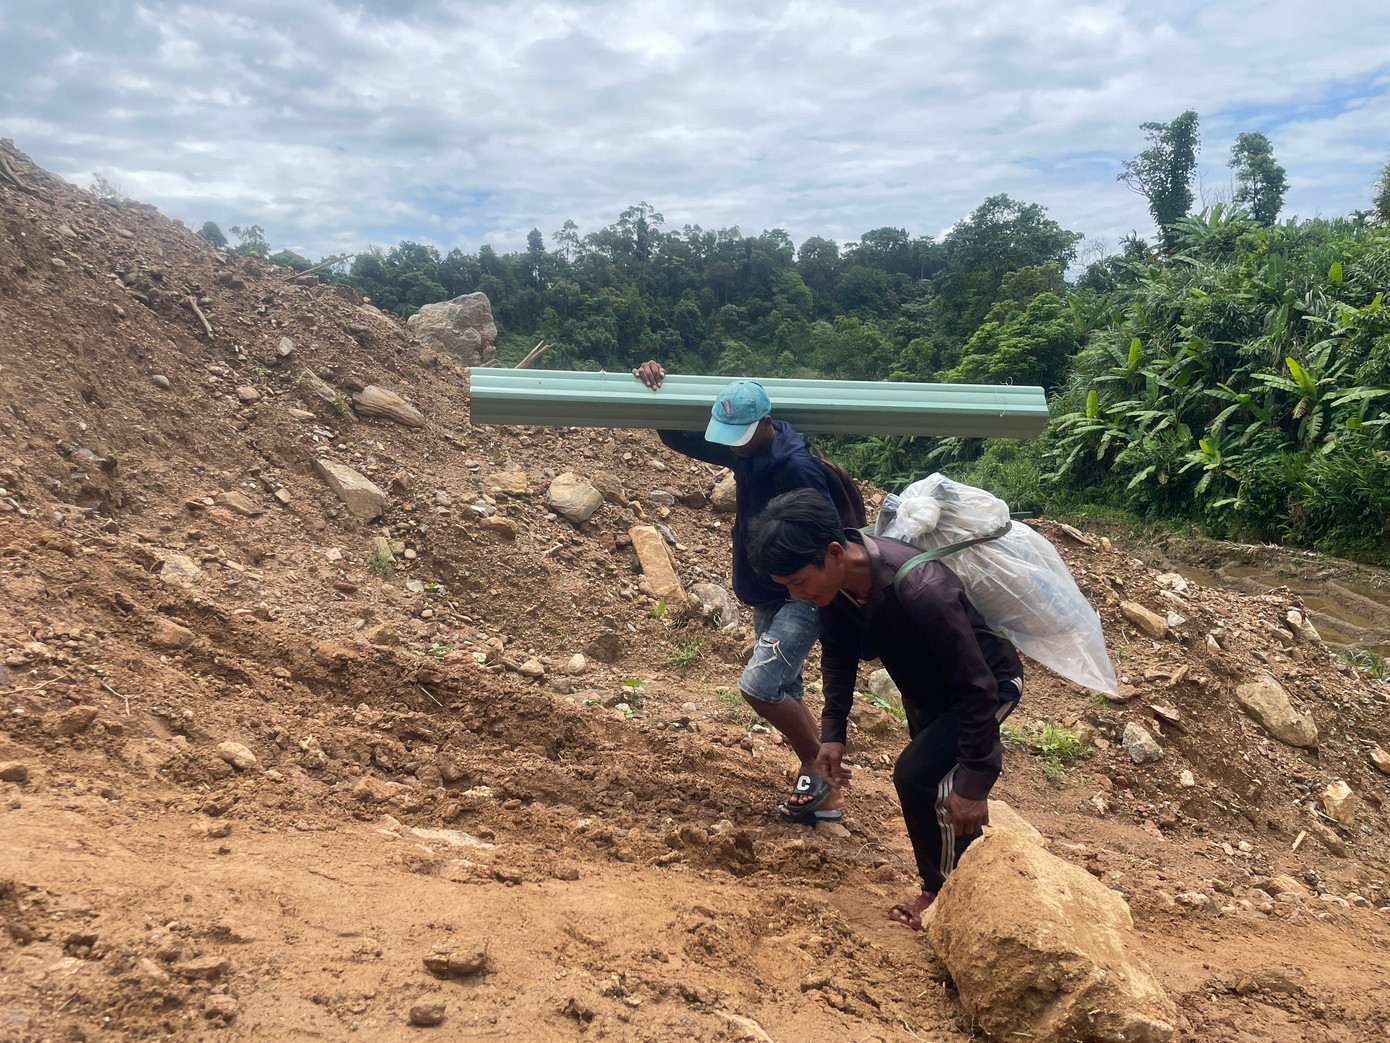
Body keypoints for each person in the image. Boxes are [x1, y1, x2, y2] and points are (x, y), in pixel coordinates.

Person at [746, 487, 1023, 929]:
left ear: (834, 553)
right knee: (931, 784)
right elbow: (837, 651)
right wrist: (833, 733)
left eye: (799, 581)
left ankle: (940, 894)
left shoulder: (920, 588)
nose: (797, 594)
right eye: (788, 588)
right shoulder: (838, 588)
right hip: (930, 689)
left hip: (985, 686)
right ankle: (963, 886)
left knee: (918, 778)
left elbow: (978, 686)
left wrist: (976, 782)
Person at [631, 360, 846, 823]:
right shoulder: (745, 450)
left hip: (800, 595)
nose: (733, 447)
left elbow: (830, 536)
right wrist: (658, 389)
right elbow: (678, 438)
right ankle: (822, 795)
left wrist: (808, 589)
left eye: (741, 436)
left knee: (761, 683)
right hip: (764, 589)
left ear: (766, 423)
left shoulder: (796, 466)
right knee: (786, 684)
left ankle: (817, 765)